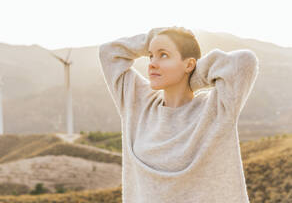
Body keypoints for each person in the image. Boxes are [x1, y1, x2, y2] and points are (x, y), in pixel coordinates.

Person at [98, 26, 259, 203]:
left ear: (189, 64)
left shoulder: (215, 110)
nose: (152, 63)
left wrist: (193, 78)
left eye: (163, 55)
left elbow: (244, 61)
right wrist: (153, 38)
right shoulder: (138, 105)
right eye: (151, 55)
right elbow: (108, 52)